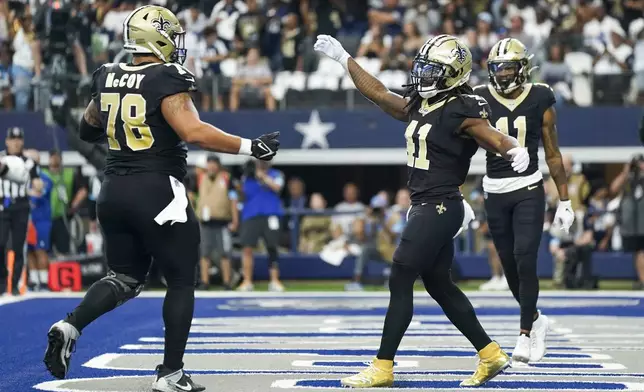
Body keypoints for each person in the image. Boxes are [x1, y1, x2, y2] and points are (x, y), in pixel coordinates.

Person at [42, 6, 280, 392]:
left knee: (125, 277)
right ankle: (170, 373)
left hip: (113, 191)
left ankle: (70, 324)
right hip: (157, 190)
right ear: (159, 37)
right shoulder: (167, 76)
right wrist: (251, 146)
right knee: (182, 280)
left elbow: (88, 129)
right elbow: (194, 131)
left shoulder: (106, 75)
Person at [314, 33, 530, 388]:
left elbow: (491, 134)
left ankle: (383, 366)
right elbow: (380, 94)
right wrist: (344, 59)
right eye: (424, 67)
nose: (424, 75)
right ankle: (490, 354)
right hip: (427, 205)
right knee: (438, 284)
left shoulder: (463, 107)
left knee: (400, 275)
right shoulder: (421, 103)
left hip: (440, 205)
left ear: (454, 74)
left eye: (434, 70)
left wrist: (512, 149)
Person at [473, 38, 575, 365]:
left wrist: (565, 199)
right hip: (494, 190)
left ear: (522, 68)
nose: (501, 73)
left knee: (524, 257)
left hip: (529, 187)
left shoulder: (540, 96)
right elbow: (461, 145)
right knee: (510, 267)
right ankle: (536, 319)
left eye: (507, 67)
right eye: (496, 67)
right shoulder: (480, 97)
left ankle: (524, 334)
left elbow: (553, 152)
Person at [0, 127, 40, 295]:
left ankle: (15, 284)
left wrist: (36, 187)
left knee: (18, 246)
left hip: (21, 206)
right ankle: (2, 282)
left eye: (19, 139)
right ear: (7, 141)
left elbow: (37, 183)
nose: (16, 142)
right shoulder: (1, 158)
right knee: (0, 244)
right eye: (13, 139)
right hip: (3, 206)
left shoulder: (29, 161)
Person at [238, 159, 284, 292]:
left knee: (272, 247)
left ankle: (274, 281)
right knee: (247, 248)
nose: (262, 163)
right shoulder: (247, 177)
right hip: (251, 214)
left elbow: (277, 187)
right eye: (260, 161)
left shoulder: (276, 174)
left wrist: (262, 176)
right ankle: (247, 281)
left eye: (265, 161)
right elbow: (242, 195)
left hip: (271, 213)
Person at [196, 154, 239, 290]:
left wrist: (235, 219)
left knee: (225, 253)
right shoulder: (200, 177)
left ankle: (227, 282)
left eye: (214, 163)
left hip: (222, 222)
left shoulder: (226, 178)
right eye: (209, 163)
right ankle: (205, 282)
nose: (212, 166)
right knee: (204, 253)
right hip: (205, 222)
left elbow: (233, 200)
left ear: (218, 165)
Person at [26, 151, 53, 292]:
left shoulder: (44, 178)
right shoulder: (24, 179)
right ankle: (34, 281)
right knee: (29, 251)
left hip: (41, 220)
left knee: (40, 250)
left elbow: (39, 192)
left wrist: (25, 192)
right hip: (28, 220)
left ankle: (43, 282)